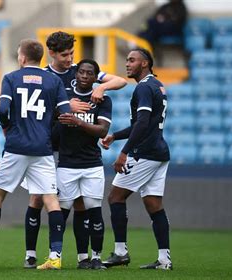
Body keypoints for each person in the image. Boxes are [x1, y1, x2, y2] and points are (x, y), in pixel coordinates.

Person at [23, 31, 127, 269]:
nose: (69, 59)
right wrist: (64, 105)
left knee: (80, 203)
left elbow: (120, 81)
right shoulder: (44, 76)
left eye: (71, 53)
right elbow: (32, 106)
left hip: (75, 150)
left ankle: (82, 256)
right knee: (38, 198)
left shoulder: (80, 71)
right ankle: (30, 253)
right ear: (51, 53)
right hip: (49, 146)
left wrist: (102, 88)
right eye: (64, 55)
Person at [0, 38, 70, 270]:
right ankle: (55, 257)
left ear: (23, 58)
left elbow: (2, 110)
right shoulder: (53, 80)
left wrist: (8, 128)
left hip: (16, 147)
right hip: (42, 149)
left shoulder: (11, 78)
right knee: (50, 200)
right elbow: (65, 113)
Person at [101, 48, 172, 270]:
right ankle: (164, 259)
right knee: (153, 204)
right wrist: (115, 136)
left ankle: (121, 253)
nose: (127, 64)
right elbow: (144, 123)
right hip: (160, 152)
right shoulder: (157, 86)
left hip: (146, 152)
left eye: (132, 60)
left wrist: (124, 152)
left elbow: (142, 124)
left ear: (145, 63)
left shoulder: (143, 88)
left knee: (115, 197)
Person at [56, 59, 115, 270]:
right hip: (66, 164)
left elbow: (102, 131)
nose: (83, 76)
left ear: (95, 78)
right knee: (61, 212)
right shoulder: (63, 96)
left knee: (94, 210)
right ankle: (57, 256)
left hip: (91, 164)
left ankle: (95, 257)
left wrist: (78, 121)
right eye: (80, 72)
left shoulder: (103, 101)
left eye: (89, 73)